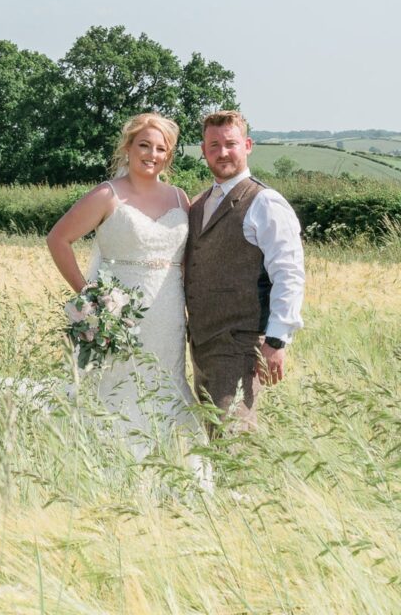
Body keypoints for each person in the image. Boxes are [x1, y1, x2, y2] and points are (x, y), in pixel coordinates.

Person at [46, 113, 205, 471]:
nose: (151, 154)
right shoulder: (107, 194)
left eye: (160, 148)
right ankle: (115, 466)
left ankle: (175, 470)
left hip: (168, 314)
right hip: (122, 316)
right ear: (129, 147)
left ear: (170, 155)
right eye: (144, 145)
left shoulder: (180, 199)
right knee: (121, 385)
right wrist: (91, 297)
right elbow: (58, 239)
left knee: (168, 382)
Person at [183, 110, 306, 435]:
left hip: (242, 346)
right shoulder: (199, 205)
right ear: (203, 150)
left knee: (232, 441)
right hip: (202, 349)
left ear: (247, 145)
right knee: (212, 439)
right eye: (214, 145)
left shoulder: (265, 203)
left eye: (231, 144)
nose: (222, 152)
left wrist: (278, 341)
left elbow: (289, 274)